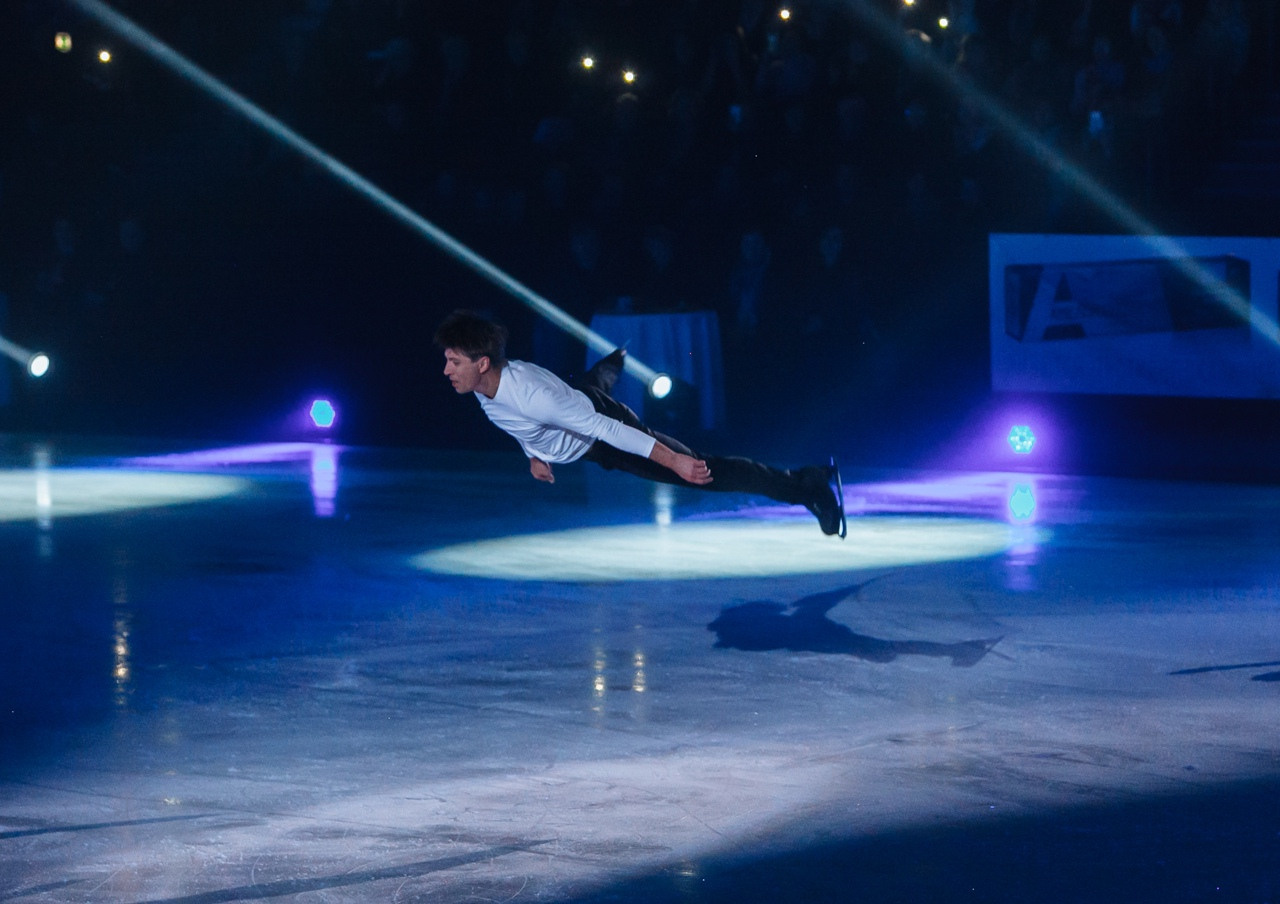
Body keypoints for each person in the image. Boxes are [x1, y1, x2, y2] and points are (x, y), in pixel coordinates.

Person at [434, 309, 844, 535]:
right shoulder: (485, 391)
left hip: (604, 433)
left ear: (483, 363)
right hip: (580, 410)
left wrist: (676, 463)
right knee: (594, 384)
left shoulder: (535, 397)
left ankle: (806, 485)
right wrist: (536, 454)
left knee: (706, 472)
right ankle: (615, 361)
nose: (447, 370)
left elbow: (610, 430)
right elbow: (517, 422)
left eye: (454, 361)